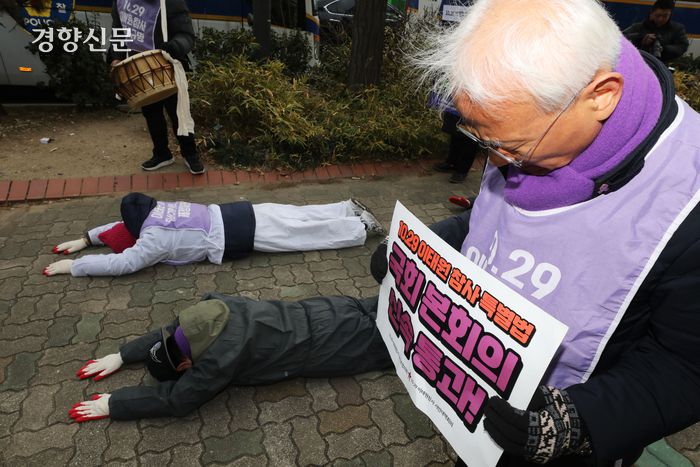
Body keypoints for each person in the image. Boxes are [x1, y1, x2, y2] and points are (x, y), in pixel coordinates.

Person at [377, 0, 700, 465]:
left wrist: (578, 422)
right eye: (484, 141)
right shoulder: (531, 122)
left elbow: (685, 364)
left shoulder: (690, 201)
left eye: (510, 146)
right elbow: (494, 220)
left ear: (602, 96)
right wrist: (422, 252)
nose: (497, 162)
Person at [69, 293, 391, 421]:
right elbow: (168, 332)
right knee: (395, 300)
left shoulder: (217, 360)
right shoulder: (209, 310)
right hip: (329, 307)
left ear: (187, 364)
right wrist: (123, 355)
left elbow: (176, 400)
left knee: (399, 346)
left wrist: (113, 404)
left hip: (333, 344)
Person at [44, 193, 384, 277]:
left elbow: (124, 264)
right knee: (296, 214)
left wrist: (77, 266)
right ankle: (345, 208)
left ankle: (360, 227)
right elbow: (119, 227)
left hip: (239, 234)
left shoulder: (153, 239)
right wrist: (88, 239)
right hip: (238, 210)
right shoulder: (157, 206)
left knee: (301, 237)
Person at [107, 0, 205, 174]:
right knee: (151, 113)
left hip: (168, 65)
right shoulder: (121, 2)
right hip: (140, 68)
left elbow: (186, 34)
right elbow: (118, 32)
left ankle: (190, 154)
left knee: (178, 113)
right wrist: (116, 57)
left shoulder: (171, 2)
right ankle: (162, 154)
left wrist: (174, 47)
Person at [430, 0, 479, 184]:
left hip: (473, 66)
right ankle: (451, 161)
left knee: (469, 123)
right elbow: (443, 28)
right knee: (453, 120)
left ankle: (462, 168)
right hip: (453, 64)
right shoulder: (449, 2)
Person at [623, 0, 689, 65]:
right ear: (651, 13)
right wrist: (641, 39)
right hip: (638, 64)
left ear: (670, 15)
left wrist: (664, 49)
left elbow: (682, 46)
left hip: (662, 66)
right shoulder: (638, 27)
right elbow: (621, 38)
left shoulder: (677, 29)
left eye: (665, 16)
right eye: (658, 15)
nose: (661, 19)